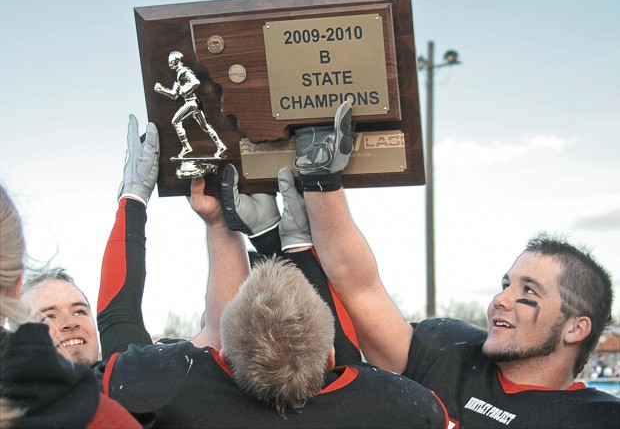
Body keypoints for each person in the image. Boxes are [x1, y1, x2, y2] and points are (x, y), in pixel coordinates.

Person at [92, 116, 448, 427]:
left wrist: (133, 200)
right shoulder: (404, 407)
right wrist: (284, 243)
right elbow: (352, 370)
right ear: (329, 357)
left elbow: (117, 329)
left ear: (222, 355)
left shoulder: (172, 390)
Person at [293, 100, 620, 427]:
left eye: (529, 291)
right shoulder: (450, 354)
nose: (500, 300)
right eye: (506, 285)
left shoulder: (595, 418)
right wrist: (320, 181)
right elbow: (361, 288)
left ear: (576, 328)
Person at [0, 184, 140, 429]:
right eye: (47, 317)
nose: (69, 323)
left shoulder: (140, 380)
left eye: (79, 311)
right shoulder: (105, 420)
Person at [154, 51, 226, 158]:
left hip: (191, 102)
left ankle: (186, 146)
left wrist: (184, 91)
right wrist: (161, 90)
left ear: (176, 61)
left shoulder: (184, 71)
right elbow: (174, 95)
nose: (170, 64)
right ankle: (220, 145)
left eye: (171, 61)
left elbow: (195, 82)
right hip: (194, 103)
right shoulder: (178, 76)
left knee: (175, 122)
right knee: (205, 126)